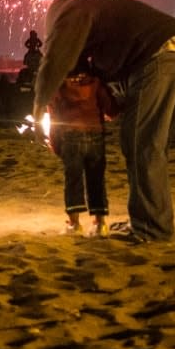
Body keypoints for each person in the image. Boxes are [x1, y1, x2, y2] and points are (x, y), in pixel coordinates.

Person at [33, 0, 175, 243]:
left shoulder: (72, 12)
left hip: (161, 55)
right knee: (152, 145)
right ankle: (150, 221)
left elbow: (56, 60)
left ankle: (151, 228)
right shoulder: (98, 19)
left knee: (140, 143)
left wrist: (39, 105)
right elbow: (113, 68)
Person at [48, 60, 117, 236]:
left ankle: (74, 223)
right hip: (95, 134)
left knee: (73, 181)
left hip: (71, 136)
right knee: (96, 179)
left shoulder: (60, 83)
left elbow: (53, 112)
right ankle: (100, 223)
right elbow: (110, 108)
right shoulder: (96, 82)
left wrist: (54, 141)